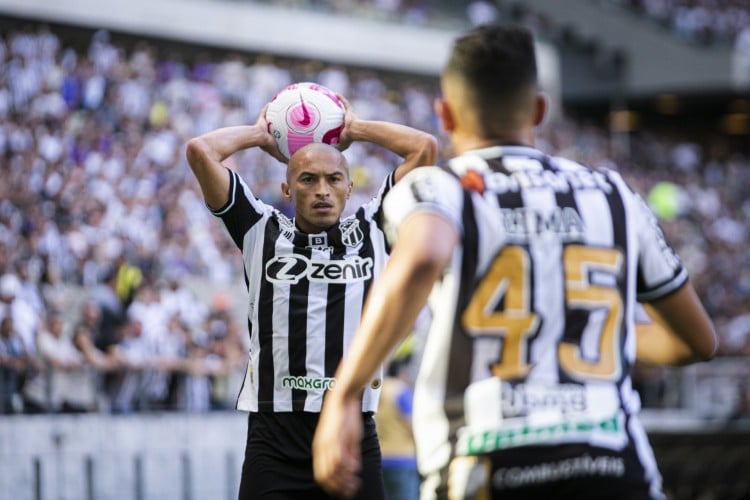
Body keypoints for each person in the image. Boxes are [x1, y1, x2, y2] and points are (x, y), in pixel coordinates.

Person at [312, 23, 718, 500]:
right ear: (540, 110)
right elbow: (697, 341)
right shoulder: (614, 195)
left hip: (488, 456)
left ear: (445, 115)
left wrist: (343, 394)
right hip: (610, 459)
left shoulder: (437, 187)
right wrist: (575, 328)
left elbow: (422, 255)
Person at [185, 94, 437, 499]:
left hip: (351, 430)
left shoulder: (374, 227)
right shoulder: (259, 229)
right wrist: (259, 135)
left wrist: (354, 129)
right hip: (274, 438)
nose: (323, 190)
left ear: (350, 186)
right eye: (308, 179)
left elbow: (424, 148)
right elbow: (200, 151)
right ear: (287, 186)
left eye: (334, 179)